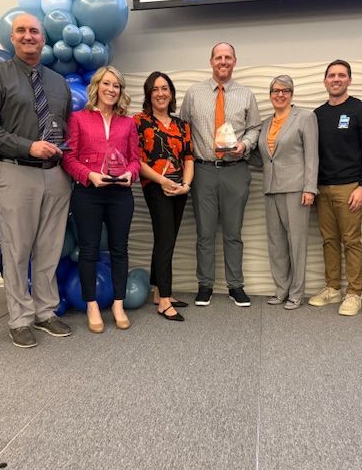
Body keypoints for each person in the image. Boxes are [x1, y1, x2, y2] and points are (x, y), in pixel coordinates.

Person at [0, 13, 73, 347]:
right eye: (21, 31)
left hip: (56, 175)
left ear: (43, 39)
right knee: (17, 249)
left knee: (50, 247)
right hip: (15, 170)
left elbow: (65, 126)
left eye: (34, 31)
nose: (28, 36)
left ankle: (46, 312)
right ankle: (19, 319)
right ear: (12, 38)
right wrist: (28, 145)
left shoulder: (58, 83)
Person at [179, 42, 261, 307]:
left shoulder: (246, 95)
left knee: (233, 232)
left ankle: (236, 285)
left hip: (235, 170)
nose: (223, 61)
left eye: (228, 57)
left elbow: (254, 129)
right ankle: (205, 285)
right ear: (211, 61)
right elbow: (183, 130)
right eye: (218, 57)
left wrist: (245, 145)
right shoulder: (194, 93)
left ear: (235, 61)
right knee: (204, 232)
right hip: (202, 170)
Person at [63, 66, 140, 333]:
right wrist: (89, 175)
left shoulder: (127, 123)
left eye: (116, 85)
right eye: (107, 84)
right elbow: (68, 158)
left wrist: (131, 174)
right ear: (97, 86)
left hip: (120, 194)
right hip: (88, 194)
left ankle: (118, 304)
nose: (111, 89)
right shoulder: (78, 119)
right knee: (89, 250)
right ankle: (92, 305)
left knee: (120, 249)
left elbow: (135, 160)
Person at [308, 60, 362, 316]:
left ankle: (354, 294)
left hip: (350, 187)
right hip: (322, 188)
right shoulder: (317, 115)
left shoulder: (361, 110)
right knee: (329, 241)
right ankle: (332, 288)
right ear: (325, 80)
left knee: (351, 241)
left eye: (341, 75)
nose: (336, 79)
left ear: (349, 79)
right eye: (331, 75)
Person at [248, 75, 318, 310]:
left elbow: (312, 156)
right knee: (276, 244)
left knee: (296, 244)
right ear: (270, 95)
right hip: (270, 189)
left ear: (291, 93)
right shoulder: (266, 123)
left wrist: (310, 188)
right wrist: (238, 152)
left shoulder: (305, 117)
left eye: (285, 90)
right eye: (275, 91)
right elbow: (264, 159)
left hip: (296, 189)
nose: (280, 94)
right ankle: (281, 291)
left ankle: (296, 294)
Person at [134, 71, 194, 322]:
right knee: (166, 240)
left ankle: (159, 292)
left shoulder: (181, 125)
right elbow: (137, 160)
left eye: (165, 88)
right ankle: (165, 300)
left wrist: (186, 186)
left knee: (165, 239)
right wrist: (163, 181)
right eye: (155, 89)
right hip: (156, 187)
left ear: (171, 93)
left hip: (179, 189)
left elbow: (188, 158)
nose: (161, 93)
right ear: (149, 94)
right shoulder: (139, 121)